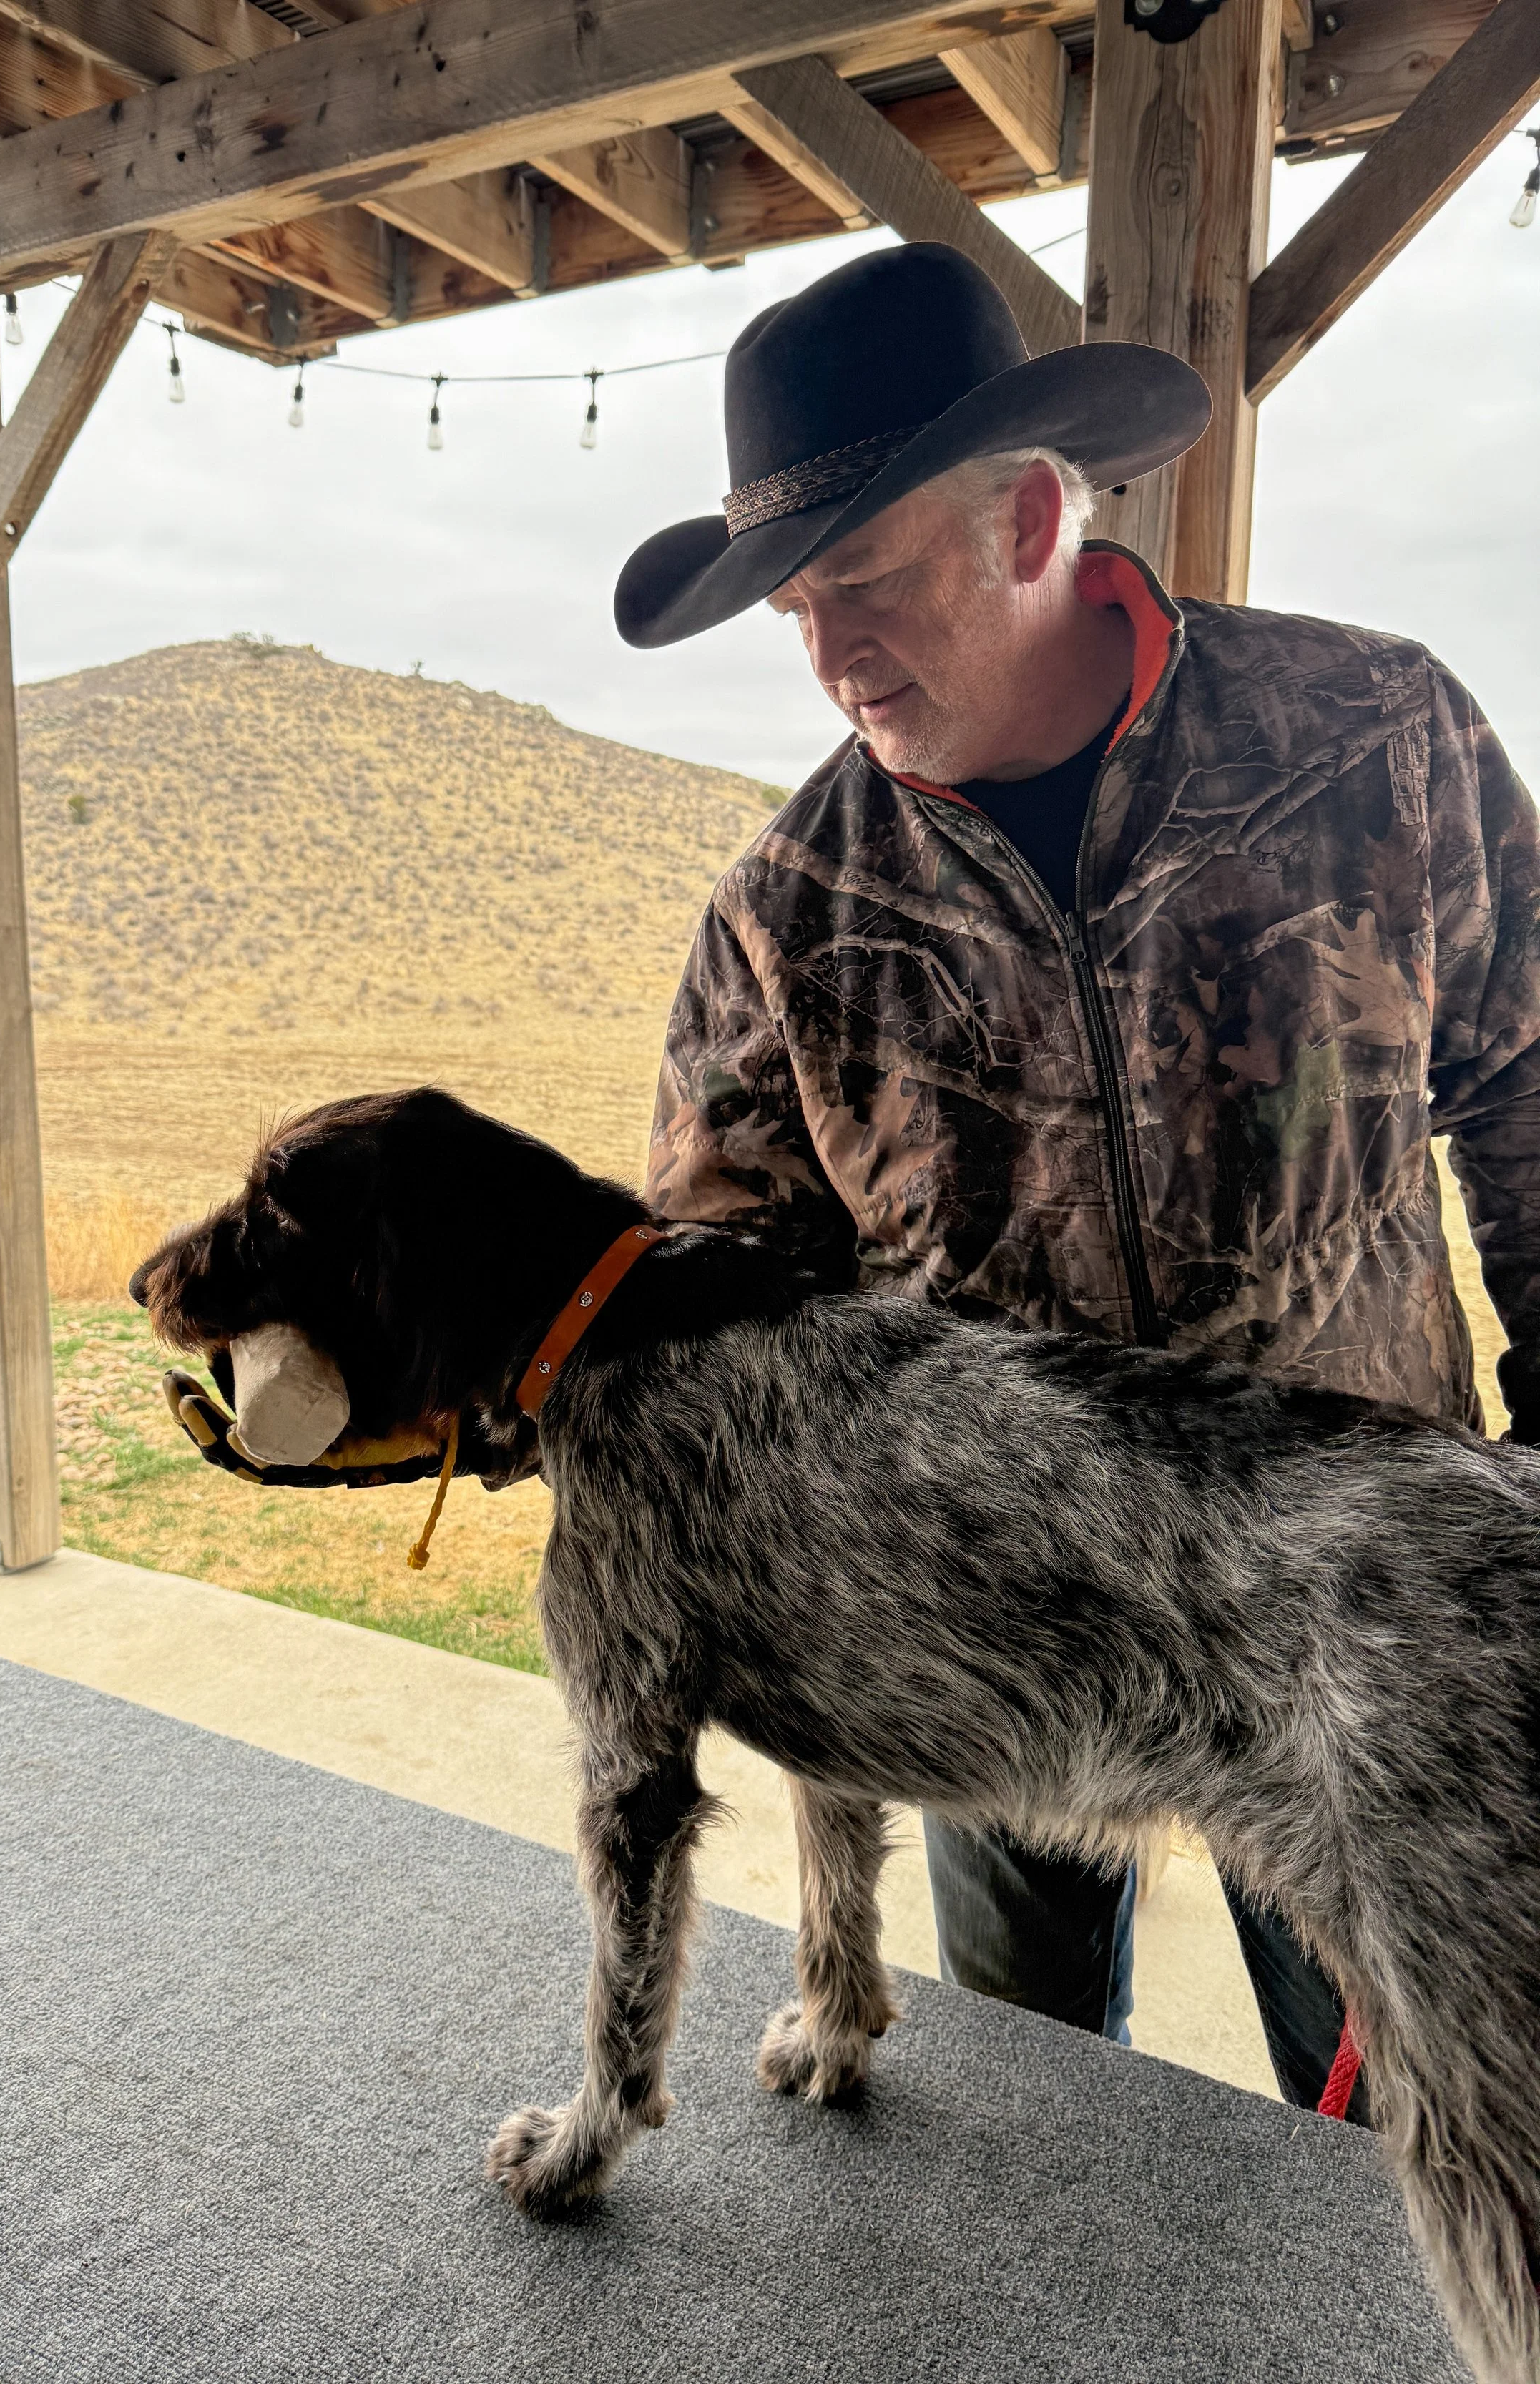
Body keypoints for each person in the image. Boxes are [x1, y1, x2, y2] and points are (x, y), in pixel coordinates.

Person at [617, 240, 1540, 2116]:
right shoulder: (793, 923)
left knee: (1414, 2130)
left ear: (1031, 513)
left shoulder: (1377, 748)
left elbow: (1526, 1091)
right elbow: (724, 1357)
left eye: (862, 579)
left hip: (1349, 1615)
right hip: (994, 1632)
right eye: (795, 605)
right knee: (1030, 2126)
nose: (830, 654)